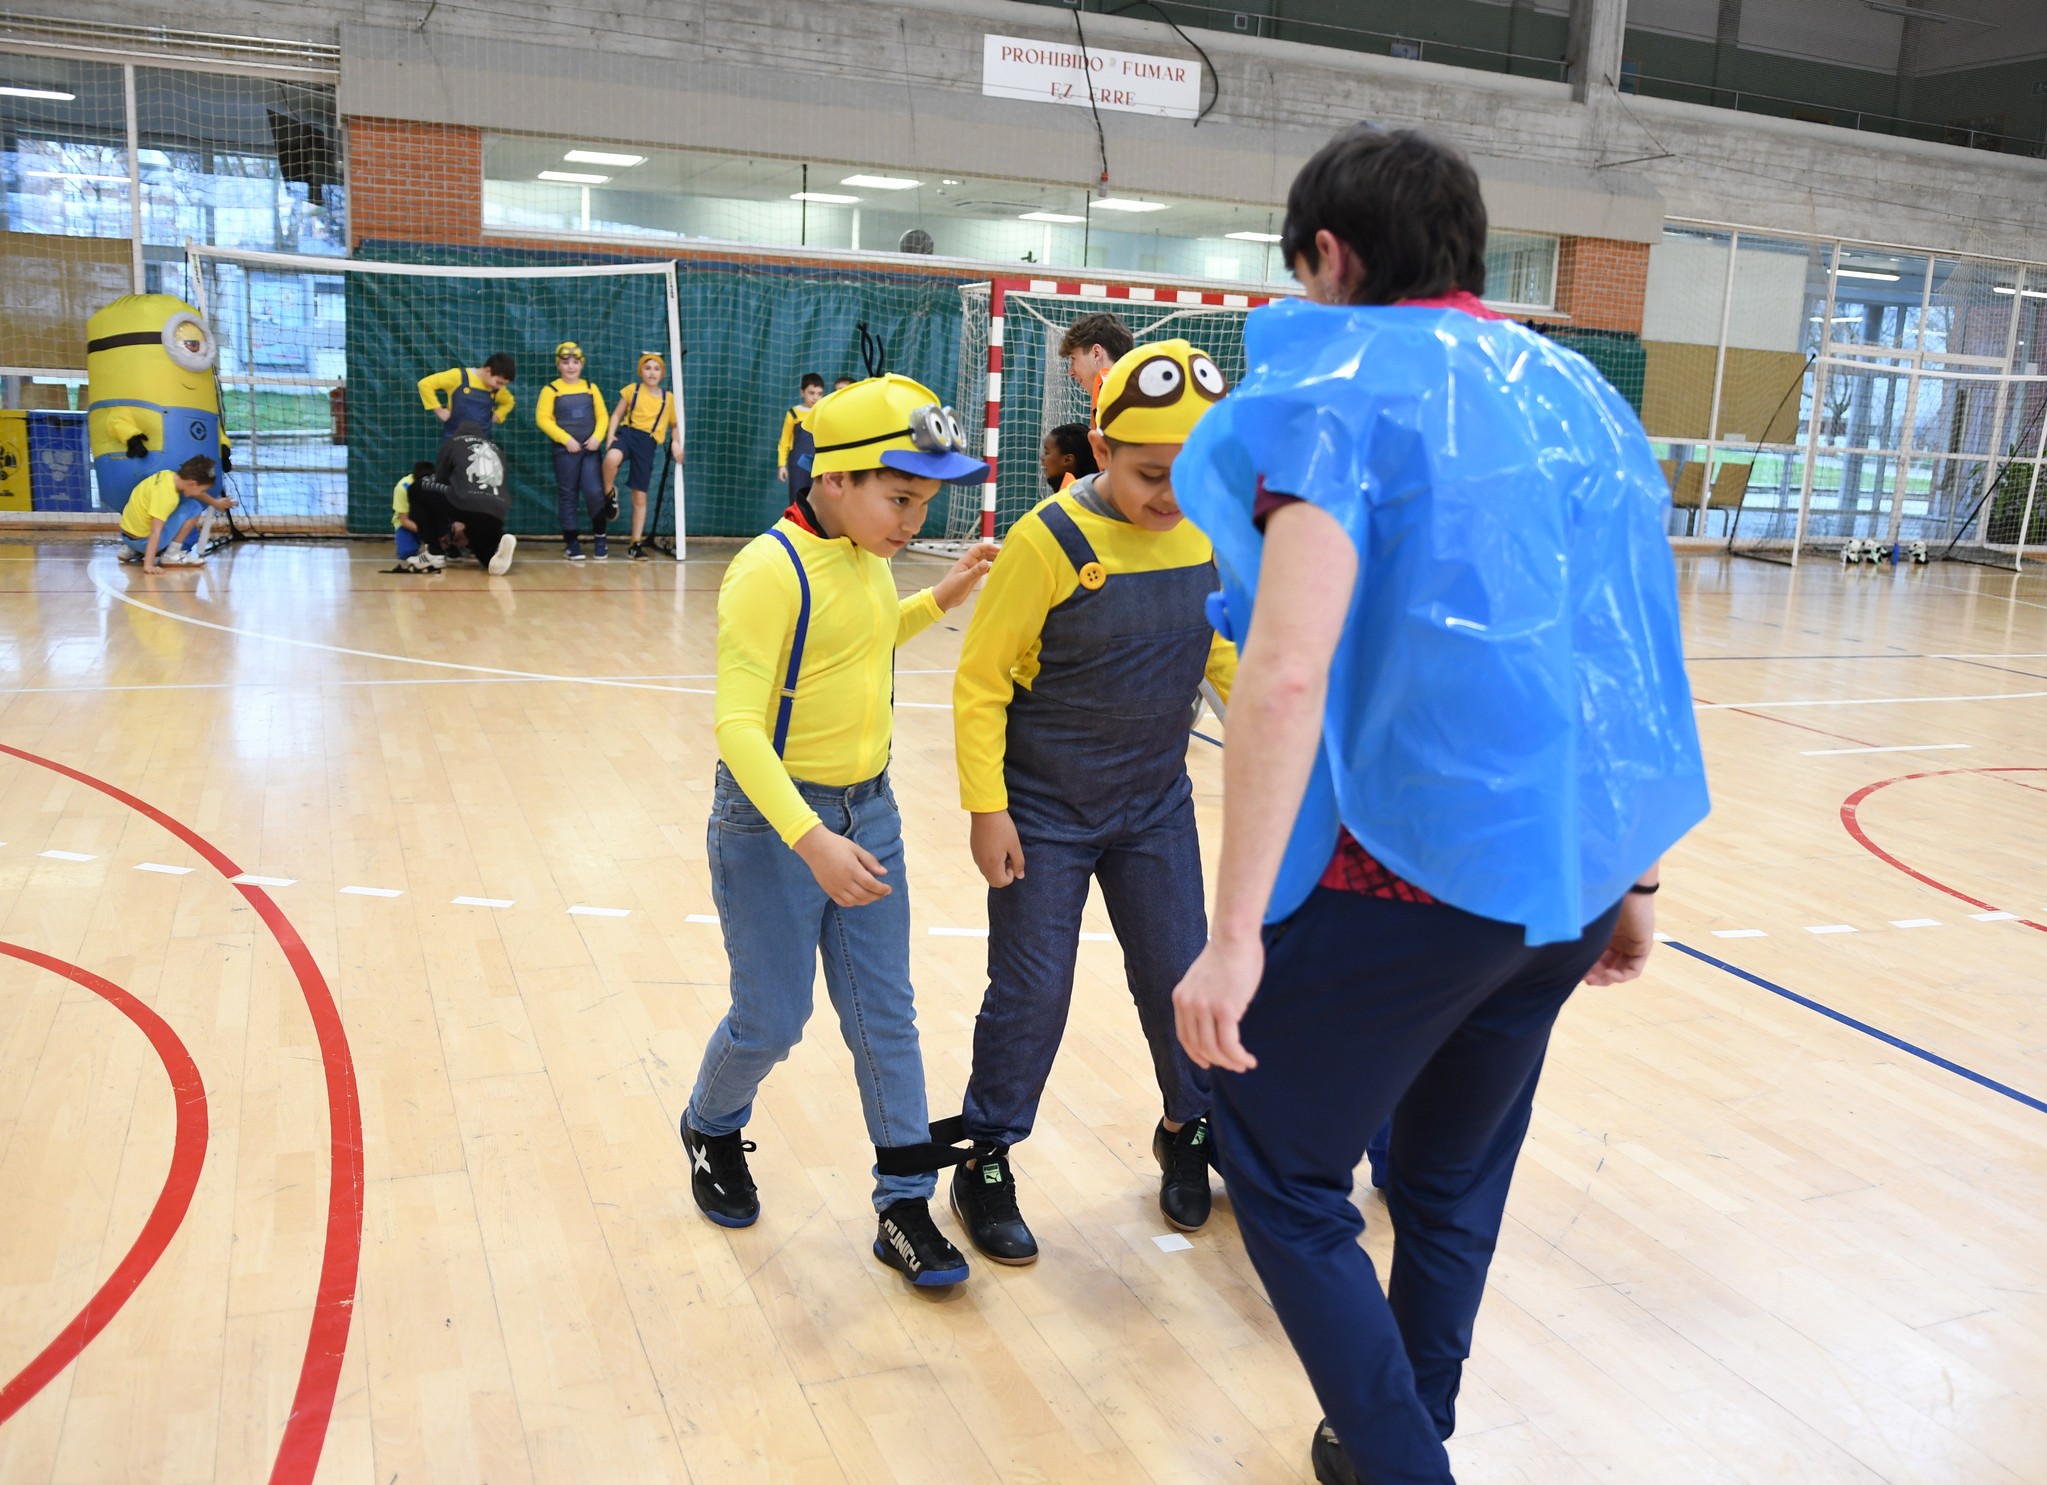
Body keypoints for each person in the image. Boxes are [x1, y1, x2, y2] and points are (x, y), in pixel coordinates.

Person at [1168, 125, 1710, 1485]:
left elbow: (1284, 675)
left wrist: (1230, 937)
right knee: (1448, 1178)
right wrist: (1635, 878)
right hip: (1570, 878)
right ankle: (1400, 1432)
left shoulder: (1333, 391)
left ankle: (1405, 1463)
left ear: (1329, 255)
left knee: (1280, 1166)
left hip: (1412, 879)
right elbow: (1628, 651)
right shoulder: (1580, 395)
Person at [680, 374, 998, 1290]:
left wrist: (937, 599)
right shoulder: (767, 570)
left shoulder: (866, 556)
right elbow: (738, 727)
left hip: (872, 811)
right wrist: (808, 838)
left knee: (883, 1015)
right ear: (833, 479)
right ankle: (709, 1124)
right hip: (774, 825)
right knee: (772, 1020)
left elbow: (858, 639)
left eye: (923, 502)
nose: (912, 520)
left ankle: (903, 1204)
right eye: (900, 499)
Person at [946, 340, 1239, 1266]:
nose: (1172, 495)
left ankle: (1188, 1127)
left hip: (1154, 807)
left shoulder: (1207, 532)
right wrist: (986, 807)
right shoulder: (1047, 541)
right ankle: (985, 1156)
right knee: (1032, 992)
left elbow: (1220, 652)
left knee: (1180, 977)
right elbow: (980, 681)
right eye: (1151, 474)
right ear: (1102, 448)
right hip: (1043, 813)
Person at [409, 419, 517, 576]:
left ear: (457, 433)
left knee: (417, 489)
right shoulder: (497, 449)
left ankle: (434, 552)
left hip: (465, 502)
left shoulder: (453, 443)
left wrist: (448, 525)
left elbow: (441, 480)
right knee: (480, 542)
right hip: (498, 511)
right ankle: (493, 557)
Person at [600, 352, 681, 561]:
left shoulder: (668, 399)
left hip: (648, 443)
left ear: (662, 373)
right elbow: (616, 415)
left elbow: (674, 425)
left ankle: (635, 543)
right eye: (647, 368)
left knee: (640, 495)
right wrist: (610, 436)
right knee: (611, 458)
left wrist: (675, 443)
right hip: (628, 434)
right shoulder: (632, 390)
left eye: (656, 368)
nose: (652, 372)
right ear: (640, 371)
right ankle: (609, 493)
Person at [536, 342, 611, 560]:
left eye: (575, 362)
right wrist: (566, 439)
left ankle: (601, 537)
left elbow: (603, 416)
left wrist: (597, 437)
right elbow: (542, 419)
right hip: (565, 452)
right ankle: (572, 543)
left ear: (582, 365)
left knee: (594, 492)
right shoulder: (551, 390)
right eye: (566, 362)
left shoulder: (590, 387)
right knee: (567, 494)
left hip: (590, 451)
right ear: (558, 365)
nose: (571, 366)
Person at [119, 454, 234, 574]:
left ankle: (131, 550)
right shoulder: (167, 497)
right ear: (193, 483)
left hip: (126, 538)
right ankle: (171, 555)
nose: (200, 493)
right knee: (194, 507)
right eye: (203, 490)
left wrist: (215, 503)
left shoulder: (166, 475)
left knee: (181, 504)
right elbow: (155, 531)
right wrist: (148, 565)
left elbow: (195, 490)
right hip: (143, 542)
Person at [418, 353, 516, 441]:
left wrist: (498, 415)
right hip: (454, 440)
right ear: (488, 370)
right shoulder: (459, 376)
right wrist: (438, 410)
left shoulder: (497, 389)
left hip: (480, 443)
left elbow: (509, 402)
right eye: (499, 382)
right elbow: (425, 384)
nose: (500, 387)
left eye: (504, 385)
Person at [1057, 312, 1136, 412]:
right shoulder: (1133, 394)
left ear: (1096, 353)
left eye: (1073, 359)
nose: (1071, 373)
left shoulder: (1123, 407)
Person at [776, 372, 826, 496]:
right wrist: (782, 465)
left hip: (818, 463)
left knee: (816, 498)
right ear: (802, 392)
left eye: (819, 394)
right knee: (797, 496)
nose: (815, 397)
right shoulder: (793, 414)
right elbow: (784, 441)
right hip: (797, 463)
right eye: (811, 393)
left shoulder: (823, 413)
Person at [391, 459, 437, 571]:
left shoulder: (437, 485)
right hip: (409, 523)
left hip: (430, 521)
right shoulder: (403, 488)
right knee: (406, 553)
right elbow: (404, 520)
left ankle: (451, 549)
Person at [1039, 421, 1098, 493]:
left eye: (1047, 452)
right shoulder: (1096, 490)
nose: (1042, 458)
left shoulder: (1071, 496)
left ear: (1067, 460)